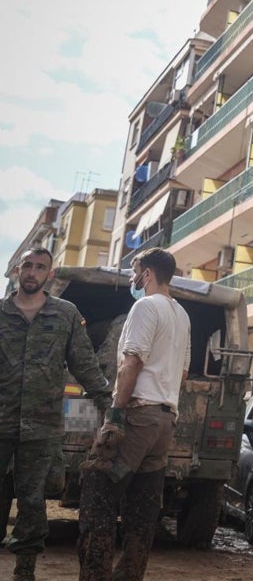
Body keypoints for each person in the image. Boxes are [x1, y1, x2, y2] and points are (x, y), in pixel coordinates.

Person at [78, 247, 191, 581]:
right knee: (142, 510)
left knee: (98, 499)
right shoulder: (182, 315)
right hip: (164, 420)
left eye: (134, 271)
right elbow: (182, 374)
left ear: (148, 274)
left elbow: (132, 362)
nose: (131, 278)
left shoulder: (144, 306)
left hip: (137, 416)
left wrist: (114, 413)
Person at [0, 249, 109, 581]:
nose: (32, 272)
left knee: (33, 501)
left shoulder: (65, 314)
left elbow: (84, 362)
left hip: (42, 426)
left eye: (40, 267)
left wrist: (107, 403)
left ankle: (24, 571)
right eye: (28, 266)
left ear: (50, 274)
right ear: (19, 270)